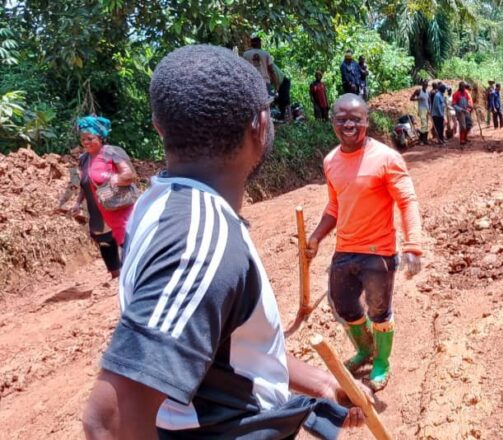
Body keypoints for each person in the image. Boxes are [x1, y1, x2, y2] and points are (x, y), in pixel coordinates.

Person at [81, 45, 370, 440]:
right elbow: (110, 423)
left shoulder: (161, 203)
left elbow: (223, 342)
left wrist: (319, 382)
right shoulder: (198, 241)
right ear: (261, 124)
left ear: (158, 127)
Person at [305, 93, 424, 392]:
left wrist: (413, 246)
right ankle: (365, 349)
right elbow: (335, 206)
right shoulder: (331, 161)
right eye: (341, 119)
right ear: (332, 122)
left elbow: (407, 201)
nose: (348, 124)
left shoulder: (386, 158)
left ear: (367, 122)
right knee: (343, 305)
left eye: (355, 119)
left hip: (378, 252)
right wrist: (317, 236)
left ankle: (381, 362)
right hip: (345, 249)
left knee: (379, 310)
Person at [63, 116, 138, 279]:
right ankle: (115, 277)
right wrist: (76, 203)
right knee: (104, 241)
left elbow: (130, 175)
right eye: (83, 139)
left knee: (126, 241)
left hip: (116, 206)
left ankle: (133, 276)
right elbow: (81, 183)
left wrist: (114, 179)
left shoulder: (112, 152)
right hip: (95, 209)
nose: (86, 142)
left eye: (90, 138)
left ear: (100, 137)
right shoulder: (83, 159)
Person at [410, 80, 431, 145]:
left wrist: (429, 109)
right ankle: (421, 140)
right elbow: (411, 98)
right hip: (421, 109)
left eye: (426, 85)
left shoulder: (427, 92)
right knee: (424, 124)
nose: (425, 86)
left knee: (426, 125)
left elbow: (429, 101)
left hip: (427, 110)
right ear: (422, 85)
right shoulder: (419, 91)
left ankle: (425, 139)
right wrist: (418, 99)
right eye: (424, 85)